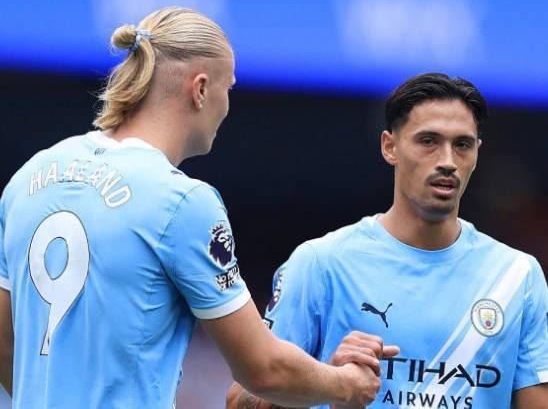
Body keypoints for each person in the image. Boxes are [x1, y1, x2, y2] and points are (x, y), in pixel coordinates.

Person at [0, 7, 389, 409]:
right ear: (201, 89)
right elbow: (263, 369)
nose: (228, 105)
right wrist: (344, 383)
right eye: (229, 88)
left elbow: (3, 344)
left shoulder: (29, 177)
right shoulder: (181, 202)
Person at [227, 73, 548, 408]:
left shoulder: (517, 276)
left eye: (462, 145)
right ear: (389, 147)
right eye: (428, 141)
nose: (447, 161)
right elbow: (240, 402)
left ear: (477, 153)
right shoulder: (322, 264)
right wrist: (328, 382)